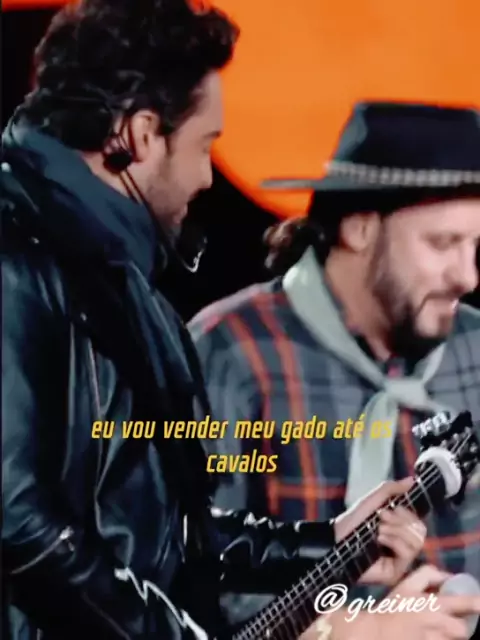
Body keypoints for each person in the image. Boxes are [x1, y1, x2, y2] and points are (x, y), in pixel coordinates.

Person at [0, 3, 447, 639]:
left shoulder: (121, 282)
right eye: (204, 145)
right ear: (141, 134)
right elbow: (21, 527)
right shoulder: (16, 258)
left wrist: (327, 543)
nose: (209, 176)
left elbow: (170, 526)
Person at [189, 101, 480, 634]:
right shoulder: (231, 352)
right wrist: (347, 630)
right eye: (442, 243)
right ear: (360, 229)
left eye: (476, 246)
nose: (467, 277)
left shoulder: (475, 347)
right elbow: (187, 576)